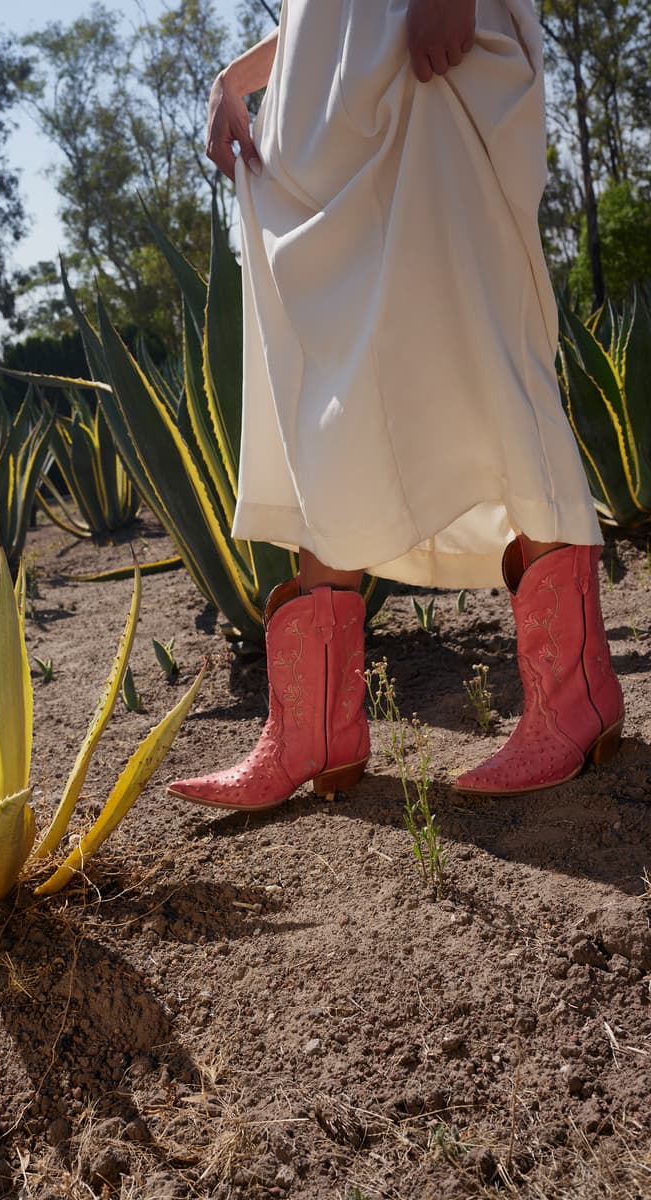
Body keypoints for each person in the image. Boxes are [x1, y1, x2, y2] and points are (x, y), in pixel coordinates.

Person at [168, 0, 624, 812]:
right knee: (327, 392)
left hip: (425, 61)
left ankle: (574, 702)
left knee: (487, 345)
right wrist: (238, 76)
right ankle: (314, 731)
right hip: (322, 104)